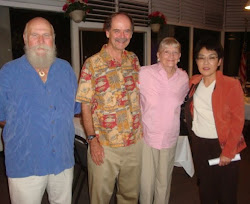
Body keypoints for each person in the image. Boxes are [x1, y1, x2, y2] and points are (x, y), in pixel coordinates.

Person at [0, 17, 80, 204]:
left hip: (62, 161)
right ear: (26, 39)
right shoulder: (8, 72)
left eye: (46, 35)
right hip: (25, 163)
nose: (41, 41)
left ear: (53, 39)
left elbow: (74, 109)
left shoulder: (66, 69)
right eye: (35, 35)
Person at [76, 12, 142, 203]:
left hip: (134, 143)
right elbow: (85, 105)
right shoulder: (92, 64)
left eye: (127, 31)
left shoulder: (134, 60)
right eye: (117, 30)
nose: (122, 35)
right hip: (105, 145)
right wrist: (92, 140)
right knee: (100, 198)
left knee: (130, 197)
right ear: (107, 32)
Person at [185, 37, 247, 204]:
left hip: (223, 144)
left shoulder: (231, 85)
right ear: (196, 61)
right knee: (205, 188)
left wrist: (228, 151)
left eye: (211, 57)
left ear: (219, 61)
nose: (206, 62)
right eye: (201, 57)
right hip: (199, 144)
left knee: (226, 192)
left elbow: (238, 121)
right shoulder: (194, 82)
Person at [139, 37, 189, 204]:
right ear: (158, 55)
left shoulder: (183, 78)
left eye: (175, 52)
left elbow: (179, 104)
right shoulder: (144, 73)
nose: (171, 56)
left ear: (180, 56)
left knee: (164, 182)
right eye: (166, 51)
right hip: (147, 137)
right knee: (146, 183)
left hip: (169, 137)